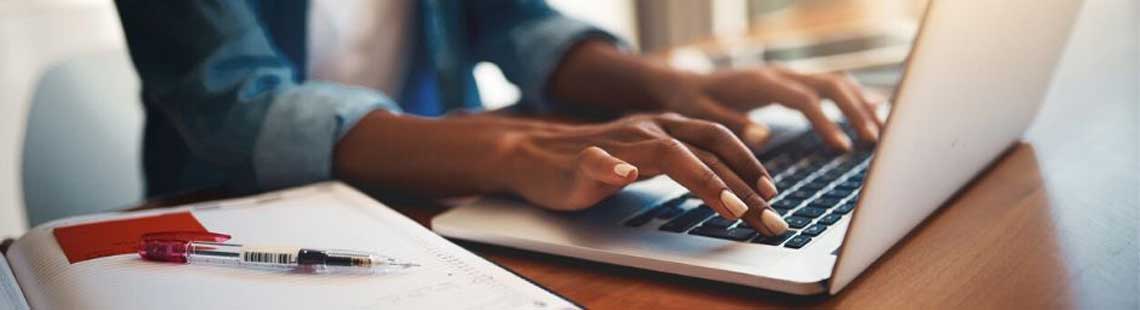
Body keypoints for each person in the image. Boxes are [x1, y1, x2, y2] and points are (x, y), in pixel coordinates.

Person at [114, 0, 882, 237]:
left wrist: (666, 85)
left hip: (420, 202)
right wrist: (510, 148)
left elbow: (513, 20)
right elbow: (238, 109)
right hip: (232, 223)